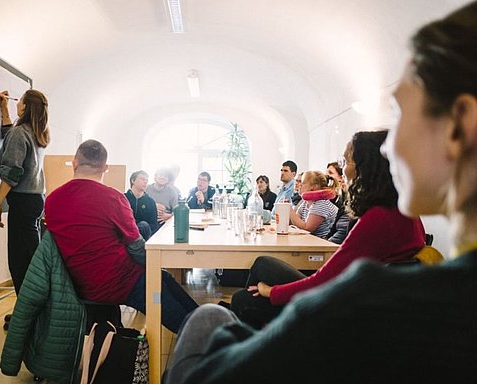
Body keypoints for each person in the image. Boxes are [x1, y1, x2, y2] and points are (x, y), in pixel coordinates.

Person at [164, 3, 477, 382]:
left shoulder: (381, 295)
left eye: (400, 117)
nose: (390, 149)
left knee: (208, 316)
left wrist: (275, 306)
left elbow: (331, 281)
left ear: (461, 124)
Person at [230, 130, 425, 328]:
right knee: (262, 264)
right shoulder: (404, 210)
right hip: (358, 294)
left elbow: (324, 281)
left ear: (366, 168)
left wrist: (271, 292)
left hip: (341, 306)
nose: (343, 172)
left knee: (243, 299)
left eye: (346, 162)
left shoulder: (378, 218)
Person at [44, 140, 198, 333]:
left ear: (74, 163)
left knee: (163, 278)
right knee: (158, 288)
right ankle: (200, 333)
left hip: (76, 281)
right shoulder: (113, 197)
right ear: (105, 168)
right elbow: (135, 246)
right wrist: (153, 264)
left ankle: (204, 321)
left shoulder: (52, 200)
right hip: (117, 282)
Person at [0, 89, 50, 296]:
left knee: (20, 261)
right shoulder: (37, 132)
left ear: (25, 106)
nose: (17, 103)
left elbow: (12, 171)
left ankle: (28, 315)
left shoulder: (21, 133)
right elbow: (10, 134)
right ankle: (29, 311)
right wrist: (3, 108)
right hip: (36, 200)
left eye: (20, 101)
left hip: (23, 201)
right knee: (29, 256)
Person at [289, 170, 339, 238]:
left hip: (323, 244)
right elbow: (295, 222)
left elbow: (307, 228)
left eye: (302, 183)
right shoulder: (305, 202)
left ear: (314, 187)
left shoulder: (321, 203)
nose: (299, 185)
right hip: (310, 240)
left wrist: (289, 209)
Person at [124, 170, 159, 240]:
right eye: (142, 179)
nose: (145, 182)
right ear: (133, 181)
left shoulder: (150, 202)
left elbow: (154, 225)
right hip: (126, 234)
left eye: (147, 180)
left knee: (143, 225)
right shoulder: (122, 199)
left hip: (144, 236)